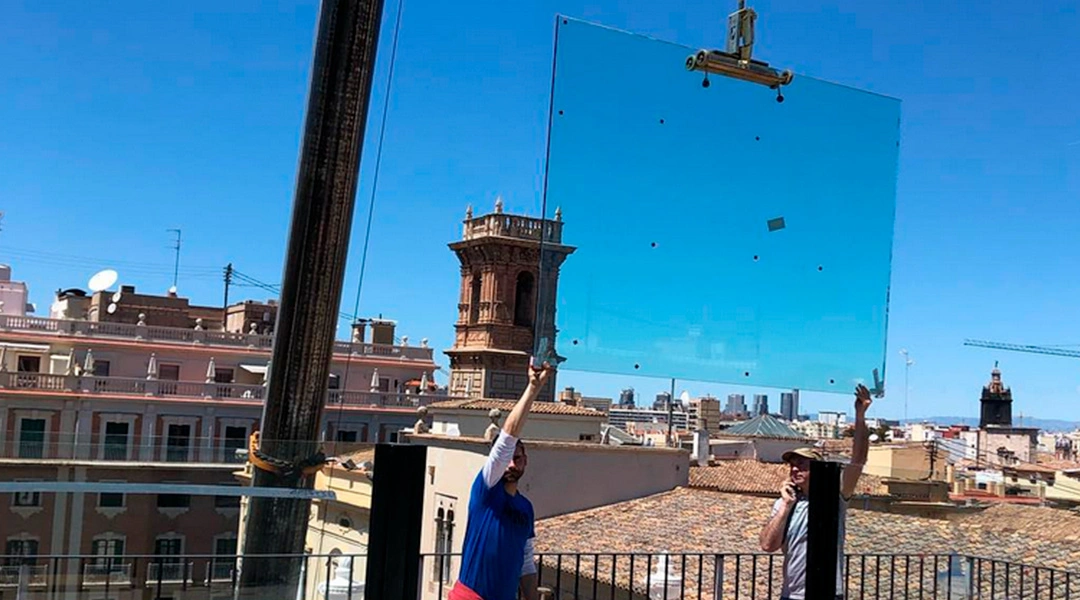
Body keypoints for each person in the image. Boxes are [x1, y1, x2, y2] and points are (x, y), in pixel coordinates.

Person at [450, 363, 554, 600]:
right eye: (507, 459)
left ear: (525, 460)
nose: (510, 464)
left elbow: (526, 561)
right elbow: (507, 439)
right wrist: (533, 389)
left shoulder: (526, 508)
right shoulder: (486, 490)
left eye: (516, 458)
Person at [759, 384, 873, 600]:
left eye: (802, 464)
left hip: (827, 593)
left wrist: (860, 415)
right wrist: (785, 507)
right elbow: (767, 545)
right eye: (792, 464)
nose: (795, 468)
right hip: (791, 595)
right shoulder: (785, 502)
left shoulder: (835, 496)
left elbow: (858, 459)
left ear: (817, 468)